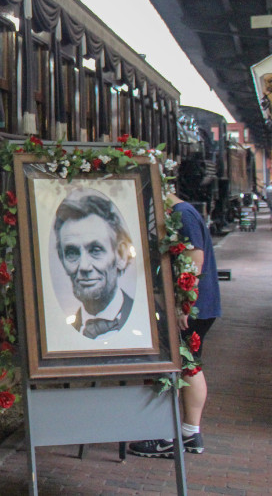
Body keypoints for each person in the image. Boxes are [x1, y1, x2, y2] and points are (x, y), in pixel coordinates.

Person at [128, 191, 221, 458]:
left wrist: (183, 305)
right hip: (201, 306)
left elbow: (194, 260)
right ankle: (189, 433)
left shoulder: (182, 214)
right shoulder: (185, 212)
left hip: (192, 307)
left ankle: (168, 436)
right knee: (189, 363)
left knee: (184, 364)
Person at [53, 188, 136, 339]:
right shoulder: (58, 334)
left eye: (96, 250)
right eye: (72, 253)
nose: (84, 266)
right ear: (62, 259)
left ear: (121, 255)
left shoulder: (144, 320)